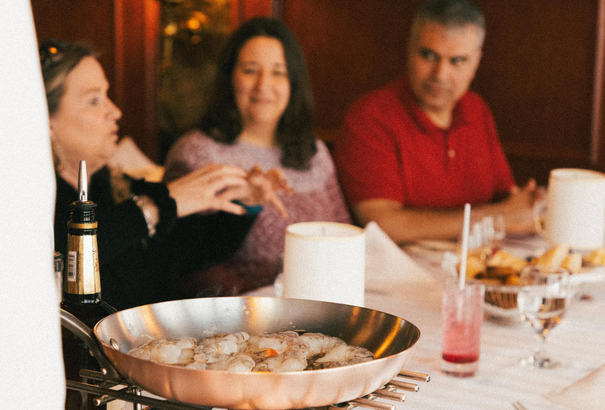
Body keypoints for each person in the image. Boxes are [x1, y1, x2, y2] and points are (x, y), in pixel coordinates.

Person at [42, 39, 284, 310]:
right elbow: (64, 259)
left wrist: (243, 201)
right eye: (94, 100)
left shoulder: (116, 186)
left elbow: (193, 250)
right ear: (44, 120)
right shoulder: (36, 206)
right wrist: (154, 208)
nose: (115, 111)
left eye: (106, 96)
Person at [164, 17, 351, 295]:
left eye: (279, 72)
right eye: (251, 70)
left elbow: (343, 235)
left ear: (293, 82)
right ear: (230, 78)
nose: (264, 85)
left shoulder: (314, 152)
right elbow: (178, 261)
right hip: (244, 314)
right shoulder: (197, 152)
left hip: (323, 300)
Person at [333, 0, 541, 244]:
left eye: (457, 61)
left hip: (477, 269)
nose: (439, 74)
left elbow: (508, 201)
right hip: (398, 277)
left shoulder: (477, 109)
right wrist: (495, 217)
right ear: (409, 50)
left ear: (476, 62)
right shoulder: (369, 117)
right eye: (429, 55)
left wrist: (533, 203)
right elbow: (382, 226)